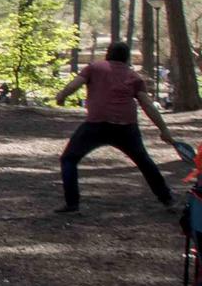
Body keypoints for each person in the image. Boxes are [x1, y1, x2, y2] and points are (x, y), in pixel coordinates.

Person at [53, 41, 180, 216]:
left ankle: (72, 204)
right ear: (127, 57)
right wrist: (164, 130)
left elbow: (74, 85)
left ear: (107, 54)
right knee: (144, 162)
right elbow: (148, 105)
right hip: (125, 127)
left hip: (96, 124)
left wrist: (61, 96)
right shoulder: (134, 77)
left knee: (69, 159)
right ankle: (167, 200)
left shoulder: (94, 68)